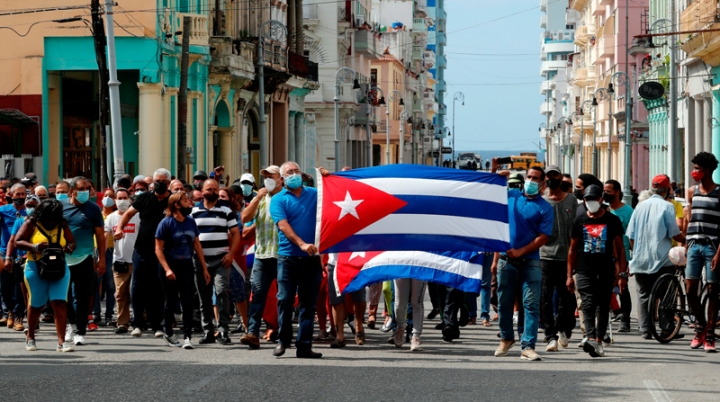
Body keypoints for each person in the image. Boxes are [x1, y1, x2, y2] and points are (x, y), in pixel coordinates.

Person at [492, 160, 554, 361]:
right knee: (504, 303)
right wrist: (494, 173)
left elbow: (543, 236)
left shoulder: (545, 208)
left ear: (542, 184)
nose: (530, 181)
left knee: (531, 304)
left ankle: (528, 346)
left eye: (535, 179)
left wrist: (521, 252)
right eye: (528, 177)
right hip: (505, 260)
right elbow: (488, 192)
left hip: (531, 262)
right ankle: (506, 338)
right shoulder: (511, 196)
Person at [269, 161, 325, 358]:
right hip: (288, 257)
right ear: (283, 179)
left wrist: (328, 178)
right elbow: (283, 225)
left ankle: (304, 345)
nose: (294, 174)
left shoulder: (315, 194)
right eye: (289, 172)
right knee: (284, 300)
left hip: (312, 258)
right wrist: (301, 243)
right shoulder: (278, 199)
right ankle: (283, 340)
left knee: (308, 303)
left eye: (296, 171)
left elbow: (333, 199)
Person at [567, 185, 627, 358]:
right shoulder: (579, 221)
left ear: (601, 199)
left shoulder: (612, 221)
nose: (590, 202)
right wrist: (569, 275)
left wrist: (622, 274)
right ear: (584, 201)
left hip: (606, 270)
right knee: (587, 304)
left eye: (594, 199)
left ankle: (599, 340)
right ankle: (590, 337)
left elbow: (620, 249)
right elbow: (572, 249)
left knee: (602, 306)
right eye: (587, 199)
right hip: (584, 270)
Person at [626, 175, 685, 340]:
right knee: (666, 295)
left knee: (643, 294)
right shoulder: (667, 207)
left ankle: (645, 329)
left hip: (640, 260)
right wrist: (686, 240)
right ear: (666, 190)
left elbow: (630, 235)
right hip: (662, 260)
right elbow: (674, 233)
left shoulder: (639, 206)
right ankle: (666, 328)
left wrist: (636, 252)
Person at [115, 169, 172, 338]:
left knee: (158, 289)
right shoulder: (144, 198)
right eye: (156, 181)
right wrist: (119, 228)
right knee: (137, 287)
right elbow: (128, 213)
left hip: (163, 252)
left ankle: (157, 325)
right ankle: (138, 323)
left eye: (162, 181)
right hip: (141, 250)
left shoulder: (173, 200)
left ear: (168, 183)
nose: (158, 184)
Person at [15, 198, 77, 352]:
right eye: (49, 216)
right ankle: (30, 336)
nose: (51, 220)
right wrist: (35, 246)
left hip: (59, 268)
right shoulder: (32, 223)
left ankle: (61, 342)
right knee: (36, 304)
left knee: (59, 303)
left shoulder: (62, 223)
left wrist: (69, 247)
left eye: (54, 216)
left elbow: (72, 241)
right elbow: (18, 241)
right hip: (35, 268)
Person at [155, 192, 211, 349]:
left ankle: (187, 336)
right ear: (177, 205)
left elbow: (197, 245)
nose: (190, 203)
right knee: (171, 301)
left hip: (186, 265)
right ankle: (168, 333)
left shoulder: (190, 221)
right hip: (169, 267)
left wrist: (204, 268)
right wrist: (167, 269)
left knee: (187, 300)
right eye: (186, 201)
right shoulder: (165, 223)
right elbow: (158, 249)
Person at [191, 179, 241, 345]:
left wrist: (231, 254)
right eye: (208, 188)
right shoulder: (193, 211)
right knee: (203, 297)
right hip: (200, 261)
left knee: (221, 292)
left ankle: (224, 330)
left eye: (214, 188)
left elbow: (235, 234)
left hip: (221, 260)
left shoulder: (226, 211)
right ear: (202, 190)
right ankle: (208, 331)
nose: (211, 191)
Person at [240, 165, 283, 350]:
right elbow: (244, 218)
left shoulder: (286, 198)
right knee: (257, 295)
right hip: (262, 255)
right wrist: (257, 197)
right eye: (265, 176)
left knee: (284, 297)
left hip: (283, 256)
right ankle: (253, 333)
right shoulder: (261, 199)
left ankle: (282, 331)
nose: (267, 179)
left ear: (280, 178)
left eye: (271, 176)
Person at [61, 177, 106, 346]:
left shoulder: (93, 209)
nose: (85, 192)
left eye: (87, 188)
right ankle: (70, 325)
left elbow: (100, 236)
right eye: (81, 189)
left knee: (82, 297)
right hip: (63, 260)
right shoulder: (61, 206)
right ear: (71, 191)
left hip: (85, 258)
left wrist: (101, 259)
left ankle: (80, 331)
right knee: (63, 296)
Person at [540, 166, 577, 352]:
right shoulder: (542, 201)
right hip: (545, 255)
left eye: (555, 175)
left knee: (567, 297)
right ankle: (550, 335)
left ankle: (564, 327)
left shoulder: (571, 199)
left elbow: (576, 228)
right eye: (549, 176)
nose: (552, 179)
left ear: (561, 177)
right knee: (545, 296)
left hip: (567, 256)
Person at [685, 152, 720, 352]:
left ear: (707, 170)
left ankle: (709, 335)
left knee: (713, 290)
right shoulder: (692, 191)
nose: (694, 172)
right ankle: (701, 325)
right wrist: (684, 242)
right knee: (690, 290)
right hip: (693, 246)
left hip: (712, 247)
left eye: (698, 169)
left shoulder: (719, 192)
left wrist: (718, 254)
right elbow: (690, 217)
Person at [104, 188, 140, 334]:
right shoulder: (111, 218)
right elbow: (106, 237)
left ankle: (139, 320)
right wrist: (101, 255)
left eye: (125, 197)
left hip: (136, 260)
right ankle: (122, 323)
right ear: (115, 200)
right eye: (119, 198)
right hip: (119, 260)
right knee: (120, 294)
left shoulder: (137, 216)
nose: (122, 200)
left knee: (136, 293)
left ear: (129, 199)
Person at [604, 180, 634, 333]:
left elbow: (633, 236)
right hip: (606, 253)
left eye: (608, 191)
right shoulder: (604, 210)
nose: (605, 193)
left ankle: (625, 320)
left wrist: (632, 258)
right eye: (604, 190)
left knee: (623, 287)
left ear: (617, 192)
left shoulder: (628, 211)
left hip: (623, 255)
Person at [1, 183, 28, 331]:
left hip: (23, 255)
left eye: (23, 194)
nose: (20, 197)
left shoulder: (29, 211)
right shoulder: (3, 211)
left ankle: (18, 316)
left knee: (20, 288)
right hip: (5, 253)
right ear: (11, 195)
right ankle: (10, 311)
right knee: (5, 288)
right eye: (17, 194)